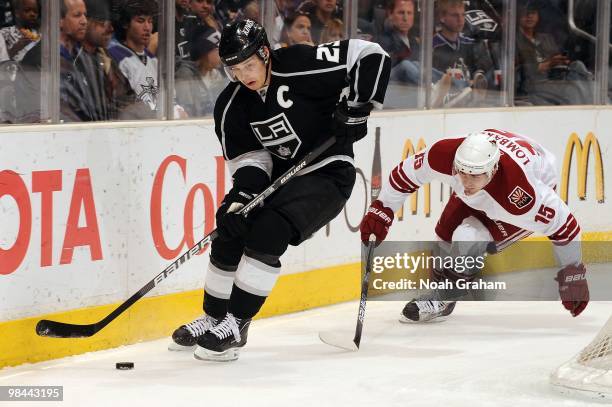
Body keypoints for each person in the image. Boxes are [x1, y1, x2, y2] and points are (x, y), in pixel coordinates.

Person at [169, 19, 390, 361]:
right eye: (235, 69)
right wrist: (240, 199)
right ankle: (214, 317)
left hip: (327, 174)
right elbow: (252, 160)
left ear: (265, 53)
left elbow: (370, 53)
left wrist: (358, 107)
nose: (244, 75)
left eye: (249, 65)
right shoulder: (231, 106)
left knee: (270, 229)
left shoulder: (300, 64)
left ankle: (237, 323)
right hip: (280, 182)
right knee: (230, 229)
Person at [359, 130, 589, 323]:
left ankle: (444, 297)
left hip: (525, 186)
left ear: (493, 169)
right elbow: (404, 175)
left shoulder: (520, 197)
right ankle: (445, 286)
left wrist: (573, 274)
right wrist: (383, 209)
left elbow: (565, 226)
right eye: (462, 172)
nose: (466, 182)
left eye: (475, 175)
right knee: (444, 235)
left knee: (467, 236)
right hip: (496, 180)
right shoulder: (444, 154)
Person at [432, 0, 493, 107]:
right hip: (444, 106)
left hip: (469, 103)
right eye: (455, 15)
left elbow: (483, 75)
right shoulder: (432, 46)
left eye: (463, 15)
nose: (460, 20)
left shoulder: (470, 43)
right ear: (442, 17)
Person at [175, 25, 225, 116]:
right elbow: (188, 111)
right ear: (205, 51)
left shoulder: (216, 74)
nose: (222, 55)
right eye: (218, 50)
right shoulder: (185, 75)